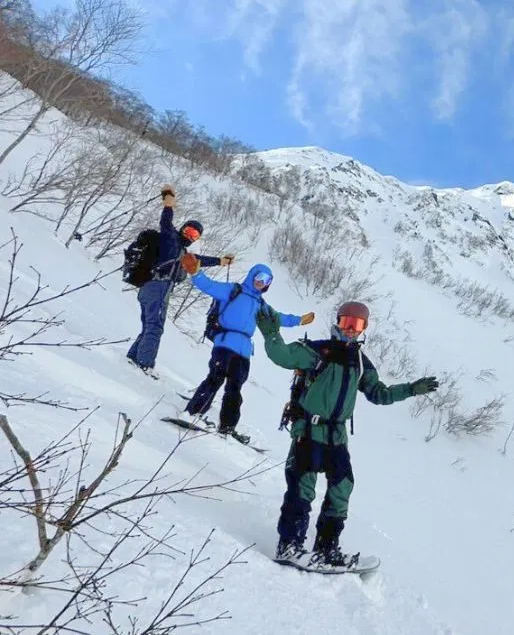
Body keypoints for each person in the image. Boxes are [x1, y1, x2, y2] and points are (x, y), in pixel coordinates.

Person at [255, 301, 439, 571]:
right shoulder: (317, 351)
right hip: (309, 431)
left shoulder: (361, 364)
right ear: (338, 322)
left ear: (364, 328)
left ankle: (326, 549)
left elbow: (379, 394)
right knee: (302, 488)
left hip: (337, 437)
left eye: (357, 325)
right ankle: (289, 546)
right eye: (347, 323)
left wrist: (410, 389)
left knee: (342, 489)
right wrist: (271, 333)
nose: (351, 330)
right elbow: (282, 356)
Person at [178, 253, 315, 443]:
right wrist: (196, 272)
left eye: (267, 281)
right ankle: (193, 412)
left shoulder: (261, 305)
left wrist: (299, 320)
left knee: (235, 389)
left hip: (243, 352)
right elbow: (209, 286)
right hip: (225, 344)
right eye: (260, 277)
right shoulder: (234, 290)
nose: (262, 282)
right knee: (215, 379)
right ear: (252, 276)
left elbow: (278, 318)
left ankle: (227, 427)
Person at [126, 184, 234, 375]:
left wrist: (220, 261)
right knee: (155, 327)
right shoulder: (171, 239)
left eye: (194, 235)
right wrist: (169, 204)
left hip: (152, 288)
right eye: (188, 230)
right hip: (158, 286)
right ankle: (144, 364)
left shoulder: (182, 251)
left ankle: (134, 357)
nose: (189, 235)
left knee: (150, 326)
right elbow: (166, 223)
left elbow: (199, 260)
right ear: (183, 228)